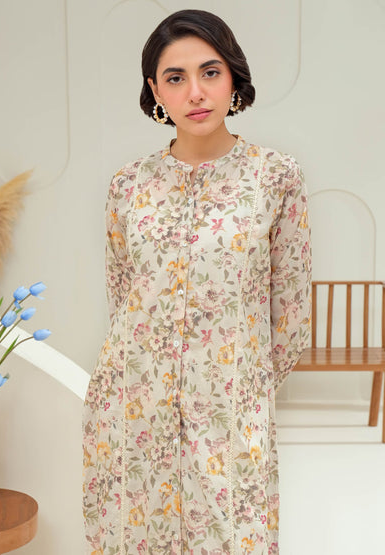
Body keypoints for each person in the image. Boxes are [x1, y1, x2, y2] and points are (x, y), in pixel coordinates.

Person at [82, 9, 311, 555]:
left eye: (210, 72)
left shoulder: (275, 177)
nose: (195, 92)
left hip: (231, 409)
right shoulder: (128, 186)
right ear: (155, 90)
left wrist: (238, 388)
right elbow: (123, 298)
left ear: (233, 76)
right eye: (175, 78)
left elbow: (292, 311)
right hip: (133, 409)